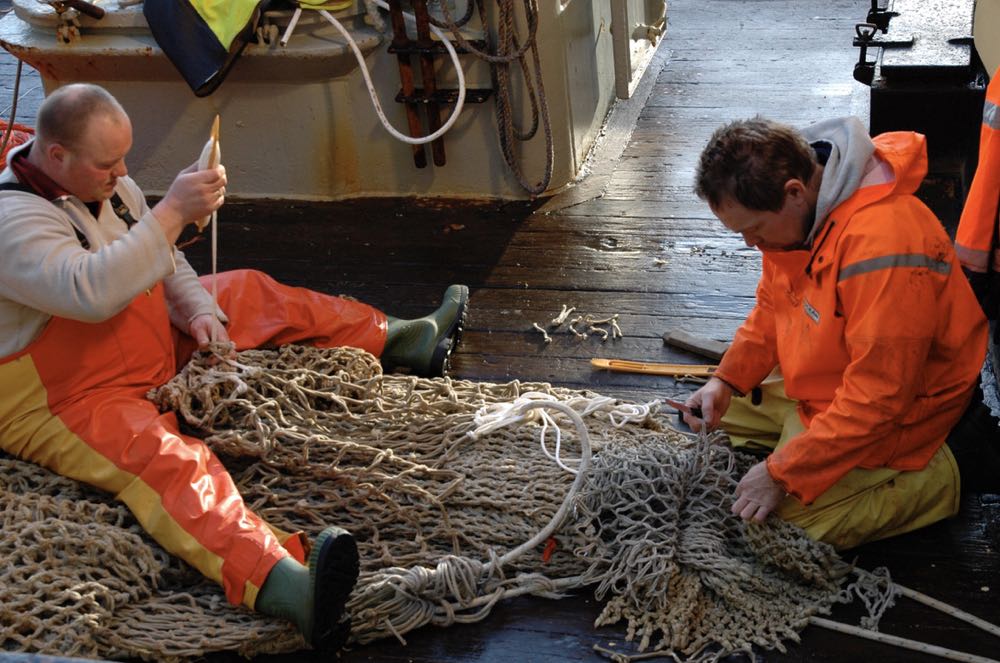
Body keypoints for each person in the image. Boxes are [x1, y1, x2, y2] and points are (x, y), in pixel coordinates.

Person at [0, 83, 470, 650]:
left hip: (147, 338)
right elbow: (90, 291)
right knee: (170, 463)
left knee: (247, 292)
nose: (123, 171)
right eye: (109, 162)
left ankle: (404, 338)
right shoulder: (13, 224)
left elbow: (164, 258)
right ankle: (285, 583)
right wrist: (174, 209)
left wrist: (199, 311)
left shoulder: (107, 183)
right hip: (70, 398)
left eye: (125, 157)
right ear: (56, 157)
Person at [684, 116, 989, 550]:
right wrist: (727, 379)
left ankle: (945, 471)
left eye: (753, 229)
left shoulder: (883, 247)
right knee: (714, 413)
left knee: (790, 531)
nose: (751, 244)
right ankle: (798, 428)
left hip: (912, 407)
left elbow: (878, 397)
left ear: (794, 192)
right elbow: (773, 308)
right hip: (836, 374)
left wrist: (780, 474)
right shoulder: (797, 219)